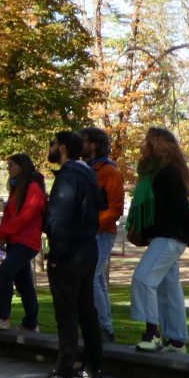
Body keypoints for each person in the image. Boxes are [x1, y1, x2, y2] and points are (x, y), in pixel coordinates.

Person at [33, 131, 103, 378]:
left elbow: (60, 219)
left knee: (67, 312)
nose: (49, 148)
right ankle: (93, 368)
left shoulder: (68, 177)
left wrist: (56, 255)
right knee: (87, 310)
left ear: (62, 148)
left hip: (69, 252)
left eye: (51, 144)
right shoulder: (88, 174)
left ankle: (64, 373)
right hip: (87, 248)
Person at [127, 127, 189, 353]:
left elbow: (181, 208)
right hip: (163, 236)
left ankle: (153, 334)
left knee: (143, 279)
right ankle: (177, 340)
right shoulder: (154, 173)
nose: (143, 145)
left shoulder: (166, 172)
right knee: (168, 289)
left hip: (169, 237)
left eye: (147, 141)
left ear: (158, 144)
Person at [80, 126, 124, 343]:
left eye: (84, 140)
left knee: (91, 276)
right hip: (88, 232)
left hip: (102, 232)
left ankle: (102, 327)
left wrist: (93, 224)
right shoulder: (84, 169)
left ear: (94, 144)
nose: (80, 143)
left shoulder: (109, 171)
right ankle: (105, 327)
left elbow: (116, 208)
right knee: (96, 278)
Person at [0, 154, 47, 332]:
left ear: (21, 167)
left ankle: (2, 317)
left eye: (11, 165)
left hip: (27, 242)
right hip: (16, 241)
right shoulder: (17, 189)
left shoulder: (33, 188)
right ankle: (31, 322)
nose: (8, 169)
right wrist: (4, 236)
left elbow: (24, 217)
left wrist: (2, 233)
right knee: (24, 283)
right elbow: (9, 214)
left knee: (5, 273)